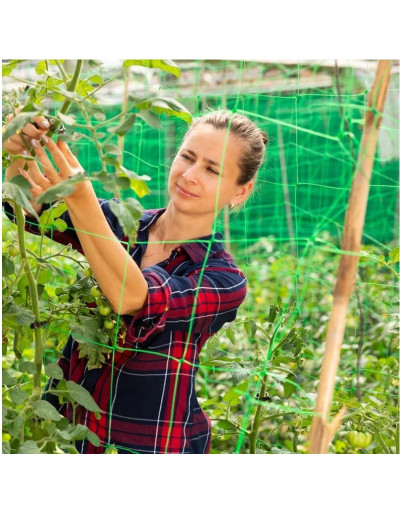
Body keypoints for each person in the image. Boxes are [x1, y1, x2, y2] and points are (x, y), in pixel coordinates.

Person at [3, 109, 268, 454]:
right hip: (68, 432)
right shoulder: (123, 224)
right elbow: (26, 207)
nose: (189, 175)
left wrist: (81, 197)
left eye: (212, 170)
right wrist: (20, 150)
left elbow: (133, 298)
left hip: (149, 443)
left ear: (241, 191)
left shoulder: (223, 279)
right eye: (187, 157)